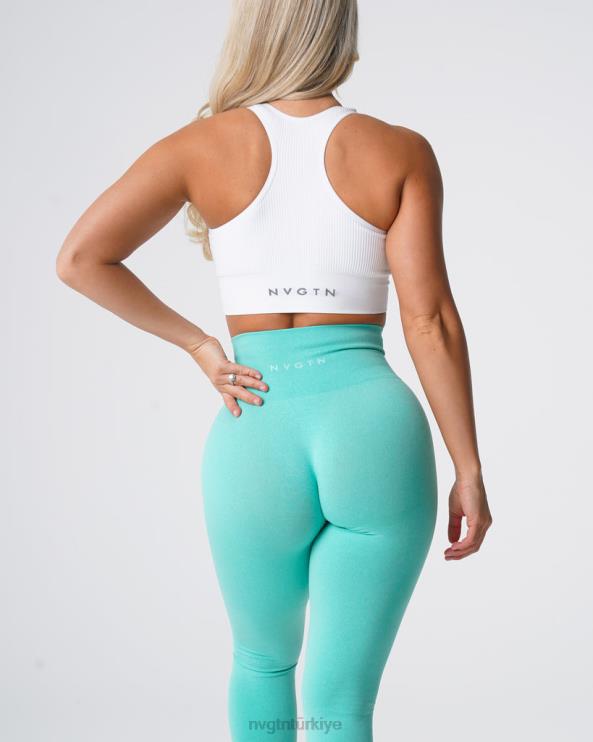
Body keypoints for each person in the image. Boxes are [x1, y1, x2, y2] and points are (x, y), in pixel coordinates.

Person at [56, 1, 493, 740]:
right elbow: (430, 321)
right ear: (341, 33)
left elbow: (79, 260)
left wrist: (199, 345)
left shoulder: (200, 145)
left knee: (262, 662)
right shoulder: (399, 150)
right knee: (340, 702)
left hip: (256, 424)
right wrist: (468, 468)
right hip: (371, 428)